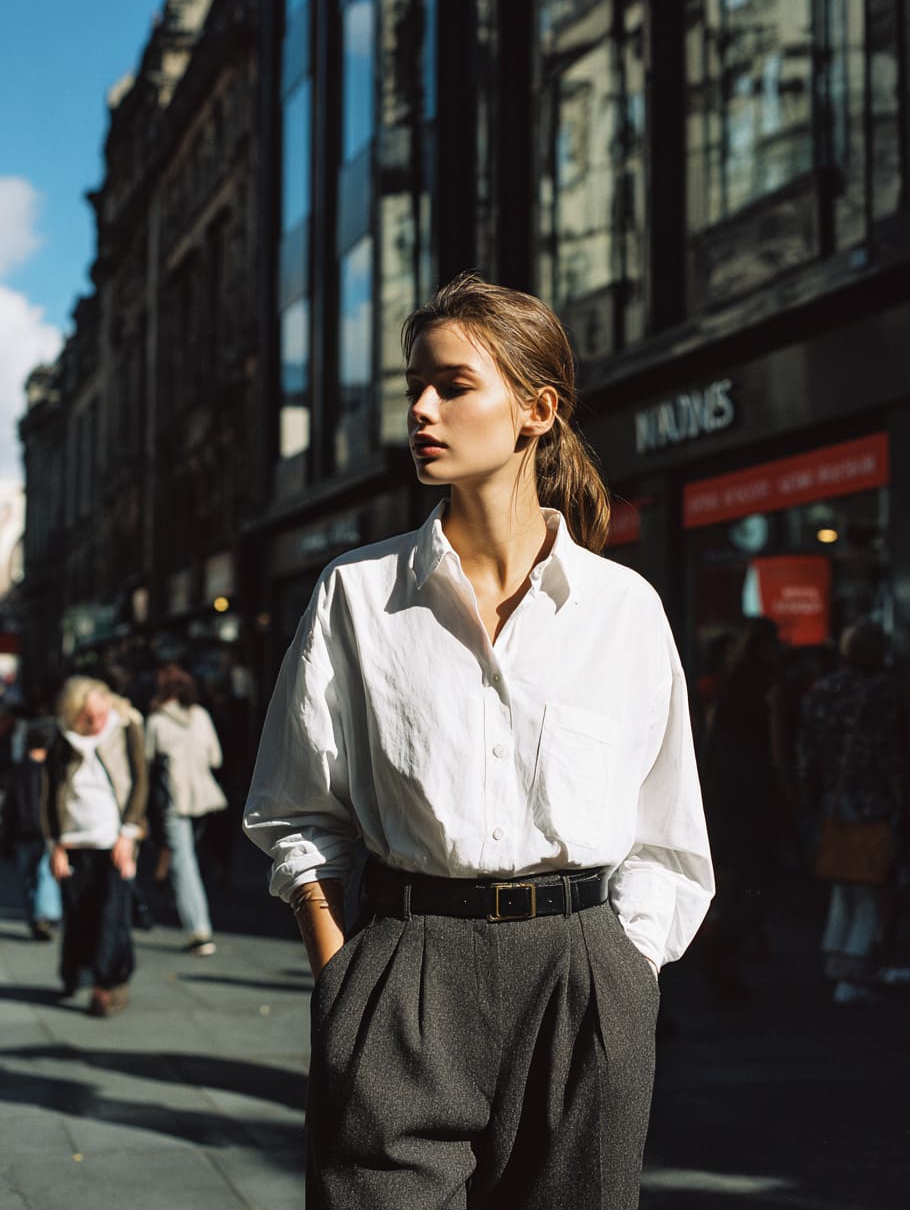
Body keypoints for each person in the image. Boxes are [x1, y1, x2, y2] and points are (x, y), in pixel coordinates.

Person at [244, 272, 714, 1209]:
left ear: (535, 410)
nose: (421, 408)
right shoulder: (358, 595)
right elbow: (297, 809)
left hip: (581, 980)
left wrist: (623, 970)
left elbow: (668, 833)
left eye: (453, 386)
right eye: (415, 385)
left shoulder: (623, 611)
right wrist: (346, 977)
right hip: (405, 967)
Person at [799, 620, 904, 1005]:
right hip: (871, 800)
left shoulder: (825, 690)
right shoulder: (881, 693)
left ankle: (835, 962)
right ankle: (853, 973)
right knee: (868, 889)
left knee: (844, 887)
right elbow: (889, 752)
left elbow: (808, 748)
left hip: (832, 799)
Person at [42, 676, 147, 1017]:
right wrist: (55, 845)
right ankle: (76, 972)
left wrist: (128, 834)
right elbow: (49, 793)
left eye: (101, 714)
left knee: (111, 915)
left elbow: (139, 781)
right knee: (79, 915)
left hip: (113, 839)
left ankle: (108, 984)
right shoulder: (61, 737)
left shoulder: (126, 727)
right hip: (73, 841)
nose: (97, 722)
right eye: (89, 717)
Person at [699, 617, 788, 999]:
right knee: (753, 874)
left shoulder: (726, 685)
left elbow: (710, 736)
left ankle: (719, 950)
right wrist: (791, 790)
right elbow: (778, 745)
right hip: (758, 787)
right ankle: (726, 950)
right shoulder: (772, 685)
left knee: (732, 872)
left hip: (726, 785)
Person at [145, 664, 227, 956]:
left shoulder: (155, 721)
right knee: (189, 855)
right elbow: (215, 758)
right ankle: (184, 903)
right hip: (204, 797)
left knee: (184, 862)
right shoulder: (201, 716)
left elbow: (146, 763)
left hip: (173, 799)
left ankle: (199, 930)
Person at [0, 724, 61, 939]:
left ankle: (36, 918)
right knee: (45, 874)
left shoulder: (18, 770)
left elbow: (9, 806)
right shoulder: (49, 771)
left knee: (28, 878)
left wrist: (6, 833)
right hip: (43, 830)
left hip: (21, 832)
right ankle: (44, 915)